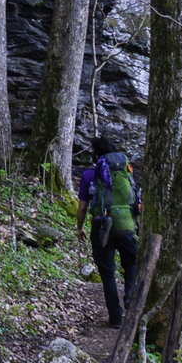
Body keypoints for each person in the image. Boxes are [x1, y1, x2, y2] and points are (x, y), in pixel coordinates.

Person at [73, 134, 140, 328]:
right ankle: (129, 296)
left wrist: (79, 228)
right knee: (131, 263)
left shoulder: (89, 175)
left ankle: (116, 319)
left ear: (97, 155)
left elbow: (83, 207)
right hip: (126, 225)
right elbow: (134, 199)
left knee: (108, 273)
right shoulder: (126, 172)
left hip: (101, 226)